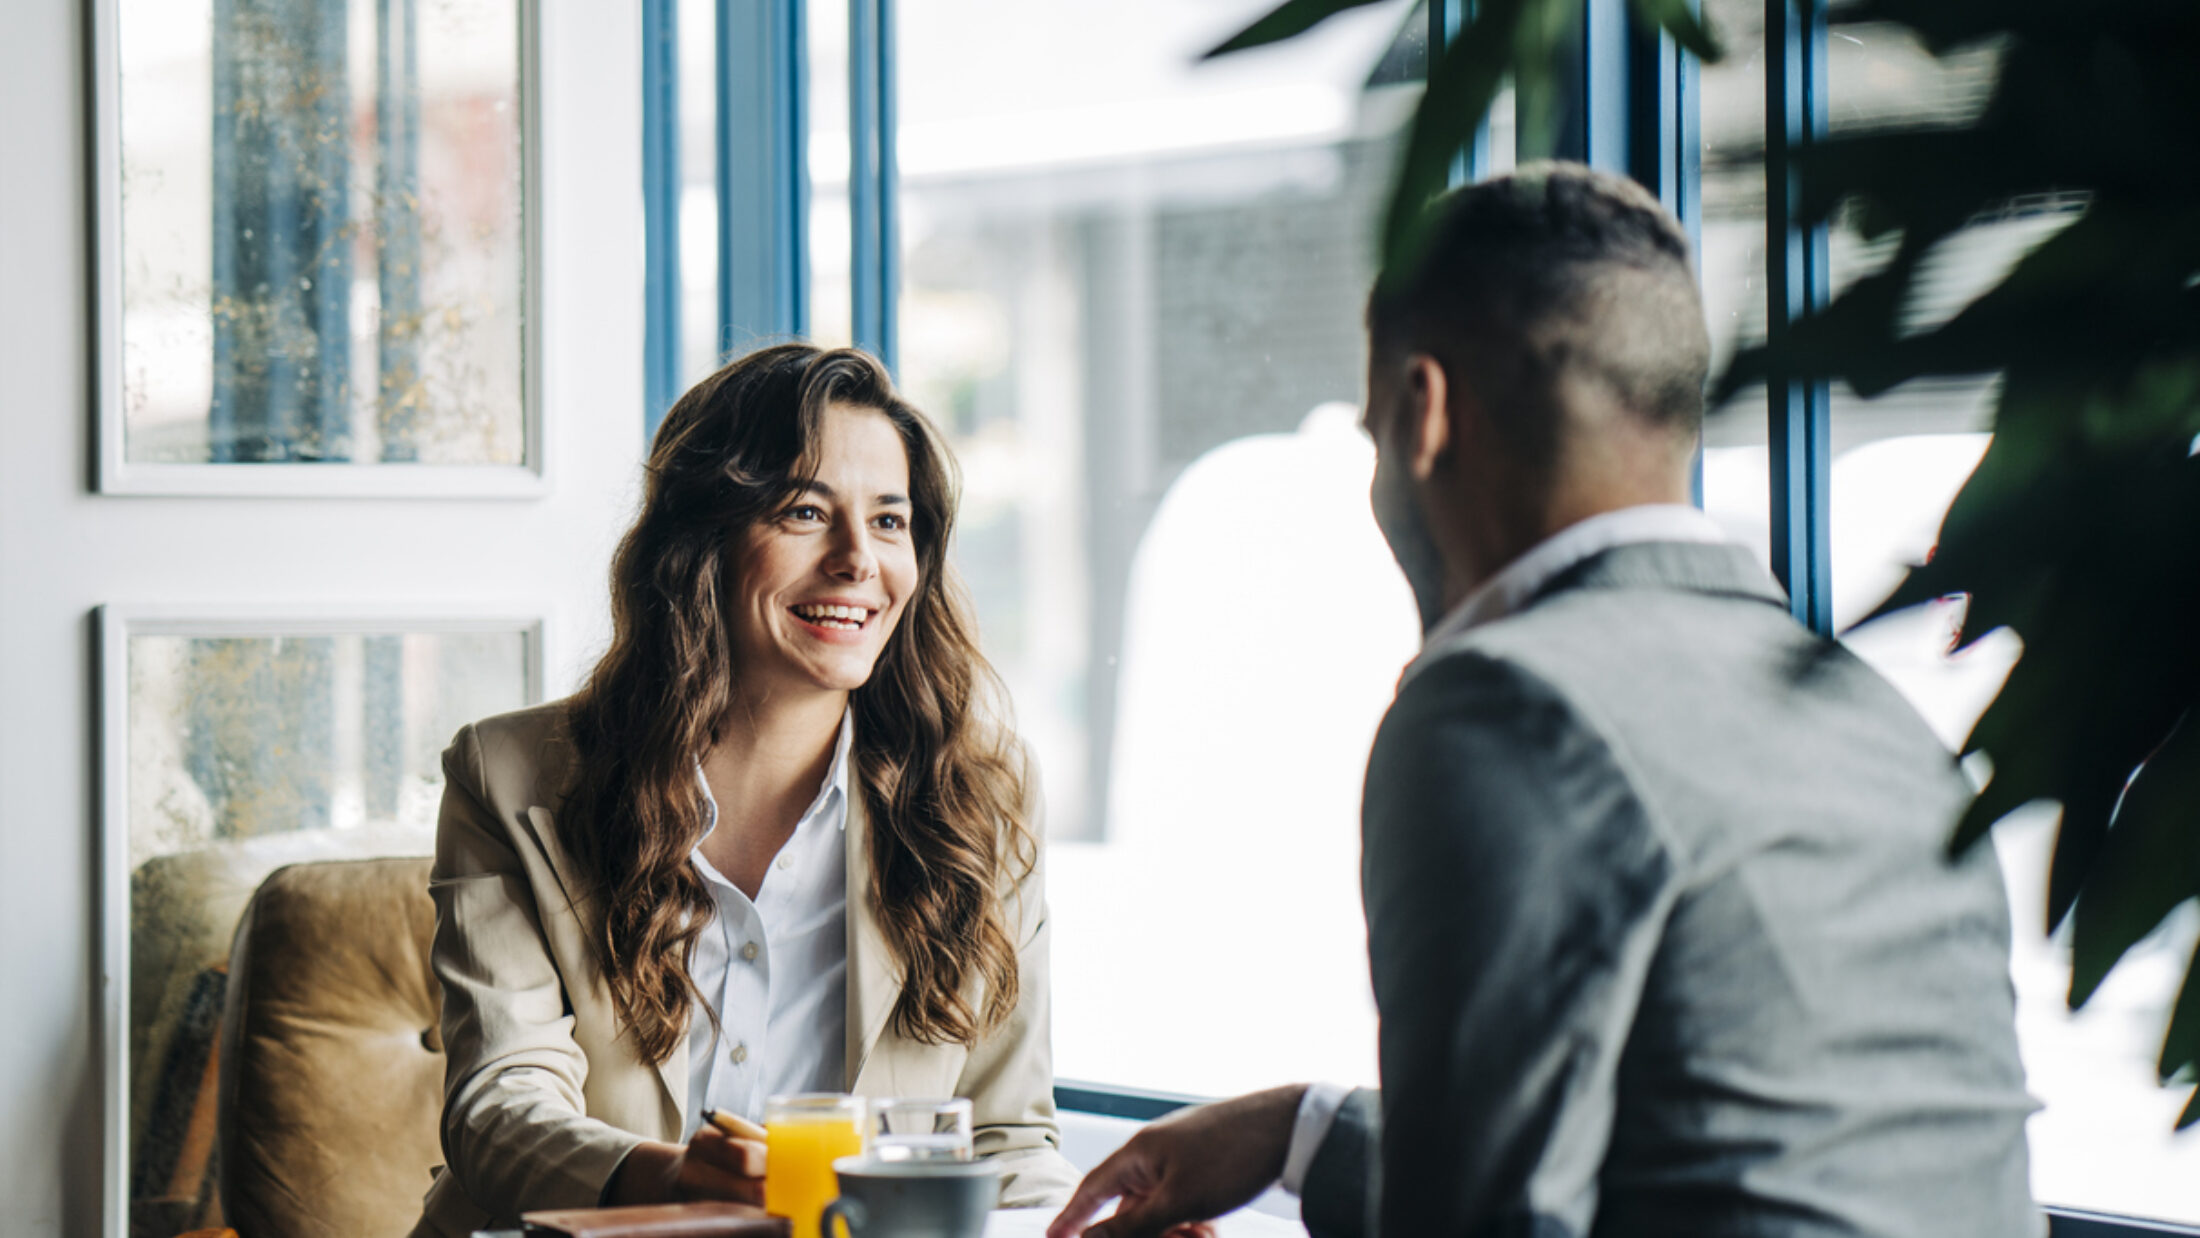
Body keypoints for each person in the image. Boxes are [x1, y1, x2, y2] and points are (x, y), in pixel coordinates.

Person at [1049, 164, 2039, 1238]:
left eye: (1374, 434)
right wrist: (1301, 1130)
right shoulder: (1869, 717)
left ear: (1423, 412)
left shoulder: (1503, 706)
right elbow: (1726, 1155)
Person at [412, 345, 1078, 1237]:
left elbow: (1003, 1137)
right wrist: (670, 1178)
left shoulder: (982, 796)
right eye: (805, 511)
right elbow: (496, 1108)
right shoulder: (508, 774)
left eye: (890, 521)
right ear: (702, 538)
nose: (857, 560)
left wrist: (1106, 1225)